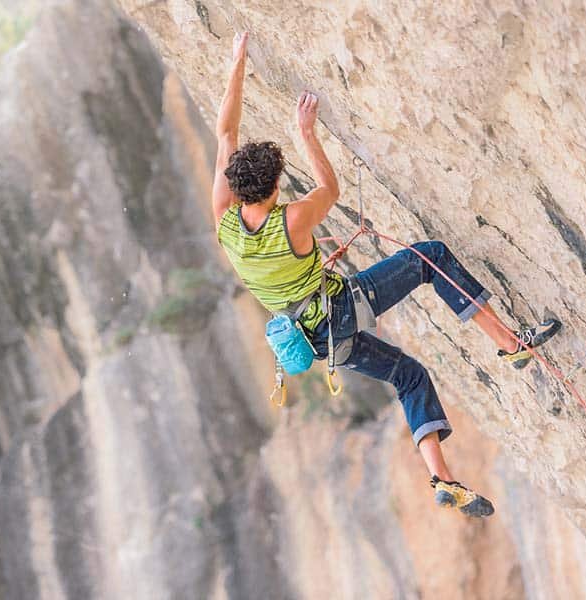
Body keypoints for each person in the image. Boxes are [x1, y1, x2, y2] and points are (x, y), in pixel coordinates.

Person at [213, 33, 559, 518]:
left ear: (234, 186)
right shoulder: (291, 220)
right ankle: (510, 344)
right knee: (428, 257)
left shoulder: (225, 221)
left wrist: (236, 65)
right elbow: (328, 187)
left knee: (409, 376)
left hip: (315, 342)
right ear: (273, 187)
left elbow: (225, 134)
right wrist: (307, 135)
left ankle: (443, 478)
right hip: (339, 310)